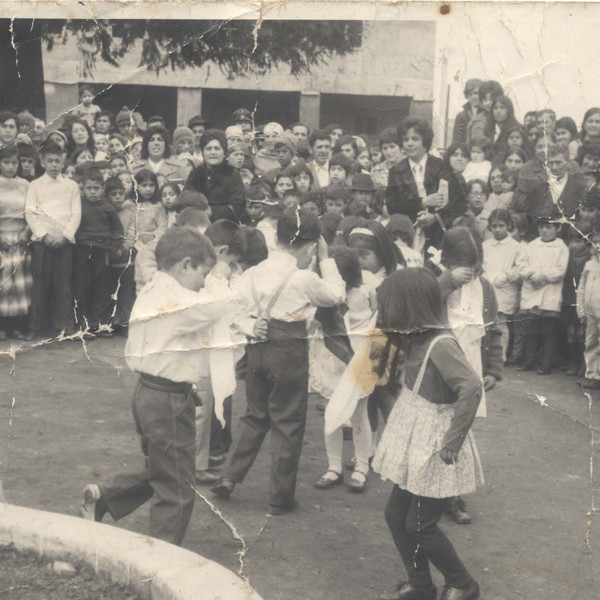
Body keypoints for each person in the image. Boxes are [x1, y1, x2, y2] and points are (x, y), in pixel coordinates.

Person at [79, 226, 228, 546]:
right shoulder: (176, 300)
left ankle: (106, 496)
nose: (204, 281)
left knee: (164, 466)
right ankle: (162, 561)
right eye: (204, 271)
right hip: (167, 399)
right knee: (176, 487)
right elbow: (220, 306)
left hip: (151, 393)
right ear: (185, 265)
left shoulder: (156, 288)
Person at [211, 207, 345, 514]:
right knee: (288, 420)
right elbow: (336, 296)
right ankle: (280, 497)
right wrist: (327, 260)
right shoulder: (305, 278)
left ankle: (229, 477)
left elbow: (235, 310)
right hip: (288, 350)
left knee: (254, 414)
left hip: (257, 346)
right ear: (310, 247)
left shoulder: (253, 273)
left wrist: (251, 326)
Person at [373, 268, 483, 600]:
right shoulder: (414, 337)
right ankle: (421, 585)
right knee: (395, 514)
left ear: (408, 308)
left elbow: (472, 387)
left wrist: (453, 440)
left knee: (420, 525)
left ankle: (463, 583)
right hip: (416, 439)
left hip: (436, 445)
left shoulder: (440, 344)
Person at [25, 140, 81, 338]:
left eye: (58, 161)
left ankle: (64, 325)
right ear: (42, 161)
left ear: (63, 161)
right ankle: (37, 326)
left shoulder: (71, 186)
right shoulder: (35, 186)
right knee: (41, 284)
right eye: (50, 161)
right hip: (43, 242)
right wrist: (44, 235)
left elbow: (75, 214)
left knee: (63, 284)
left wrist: (65, 236)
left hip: (64, 243)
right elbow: (31, 214)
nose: (55, 165)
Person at [72, 168, 124, 335]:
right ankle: (83, 321)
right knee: (82, 286)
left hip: (102, 253)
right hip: (83, 251)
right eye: (89, 188)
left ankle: (97, 320)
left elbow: (117, 231)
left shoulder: (107, 207)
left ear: (102, 189)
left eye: (96, 188)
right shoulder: (79, 204)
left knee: (101, 287)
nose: (93, 192)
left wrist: (114, 249)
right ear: (83, 188)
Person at [516, 216, 569, 374]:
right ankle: (530, 360)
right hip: (532, 289)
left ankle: (546, 363)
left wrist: (543, 277)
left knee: (548, 328)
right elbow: (521, 264)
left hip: (549, 290)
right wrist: (531, 275)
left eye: (549, 227)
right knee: (531, 327)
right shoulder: (531, 246)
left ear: (557, 229)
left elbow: (560, 270)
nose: (544, 230)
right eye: (541, 227)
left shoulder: (561, 247)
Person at [482, 209, 523, 360]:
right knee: (487, 321)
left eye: (501, 226)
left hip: (504, 288)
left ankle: (501, 356)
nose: (497, 230)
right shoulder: (486, 245)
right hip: (487, 286)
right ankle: (487, 354)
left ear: (508, 225)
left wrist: (507, 275)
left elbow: (521, 268)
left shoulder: (515, 246)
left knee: (500, 322)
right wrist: (484, 276)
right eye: (494, 226)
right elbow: (481, 264)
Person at [0, 145, 32, 340]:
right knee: (3, 285)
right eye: (6, 162)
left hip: (20, 237)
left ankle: (17, 326)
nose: (10, 166)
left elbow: (32, 212)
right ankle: (2, 327)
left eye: (14, 162)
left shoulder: (25, 185)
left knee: (19, 283)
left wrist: (27, 232)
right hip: (2, 238)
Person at [184, 129, 246, 223]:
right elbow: (185, 200)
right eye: (208, 149)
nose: (213, 152)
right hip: (197, 223)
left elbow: (238, 206)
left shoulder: (232, 174)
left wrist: (212, 212)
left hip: (225, 226)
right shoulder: (196, 173)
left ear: (224, 152)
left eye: (217, 148)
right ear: (203, 152)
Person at [576, 224, 600, 389]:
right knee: (590, 343)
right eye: (595, 242)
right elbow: (582, 288)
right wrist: (581, 310)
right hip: (590, 311)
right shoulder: (589, 265)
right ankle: (591, 375)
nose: (598, 246)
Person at [452, 78, 483, 144]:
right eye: (469, 94)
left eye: (476, 93)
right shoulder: (461, 117)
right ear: (466, 96)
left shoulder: (488, 113)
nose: (473, 97)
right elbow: (457, 141)